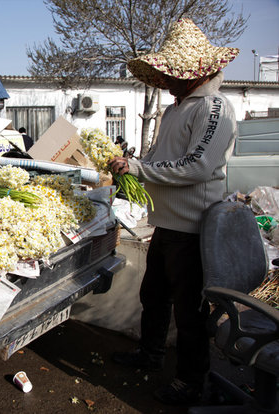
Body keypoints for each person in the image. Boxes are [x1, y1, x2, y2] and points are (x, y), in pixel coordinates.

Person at [108, 18, 239, 406]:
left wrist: (139, 170)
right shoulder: (175, 109)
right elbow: (161, 160)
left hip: (193, 228)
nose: (165, 82)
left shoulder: (215, 108)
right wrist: (132, 170)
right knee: (154, 296)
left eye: (171, 74)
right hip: (165, 224)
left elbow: (197, 167)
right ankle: (150, 356)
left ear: (194, 73)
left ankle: (190, 380)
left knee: (189, 311)